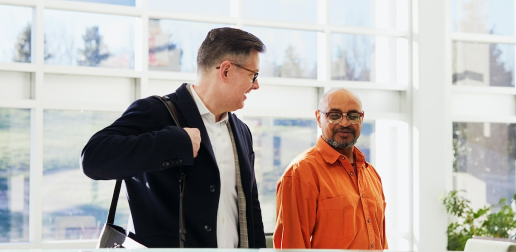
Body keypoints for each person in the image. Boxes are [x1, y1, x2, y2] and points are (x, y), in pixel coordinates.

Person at [81, 27, 266, 248]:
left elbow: (250, 212)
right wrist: (174, 142)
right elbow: (93, 158)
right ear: (225, 71)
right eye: (252, 75)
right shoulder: (156, 112)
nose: (256, 85)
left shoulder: (242, 131)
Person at [273, 88, 387, 249]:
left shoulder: (371, 175)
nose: (345, 123)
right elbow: (292, 246)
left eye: (353, 115)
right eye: (334, 115)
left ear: (361, 119)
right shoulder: (300, 173)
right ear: (319, 118)